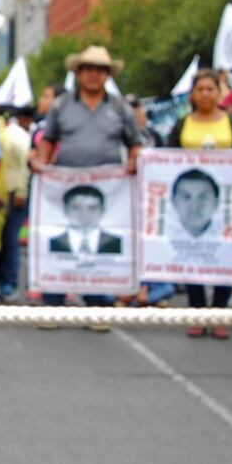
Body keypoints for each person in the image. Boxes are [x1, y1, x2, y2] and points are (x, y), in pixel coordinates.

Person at [31, 46, 141, 328]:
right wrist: (40, 162)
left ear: (107, 75)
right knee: (59, 239)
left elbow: (135, 144)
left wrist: (133, 162)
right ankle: (53, 306)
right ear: (78, 73)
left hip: (107, 190)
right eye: (88, 69)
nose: (94, 74)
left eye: (100, 70)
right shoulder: (61, 106)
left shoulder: (119, 108)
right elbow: (48, 141)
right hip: (64, 187)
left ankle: (97, 307)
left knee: (97, 247)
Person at [166, 69, 232, 337]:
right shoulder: (182, 124)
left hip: (224, 200)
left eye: (210, 89)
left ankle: (219, 311)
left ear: (218, 93)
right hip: (190, 197)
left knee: (224, 249)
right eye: (200, 89)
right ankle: (197, 310)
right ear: (192, 94)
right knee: (192, 250)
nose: (204, 94)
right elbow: (166, 158)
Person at [0, 107, 31, 301]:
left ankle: (9, 283)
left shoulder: (17, 135)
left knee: (9, 240)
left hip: (14, 192)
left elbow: (25, 164)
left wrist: (22, 190)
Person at [48, 185, 122, 255]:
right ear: (65, 210)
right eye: (76, 208)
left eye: (92, 208)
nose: (84, 214)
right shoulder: (51, 243)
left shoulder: (117, 243)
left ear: (102, 210)